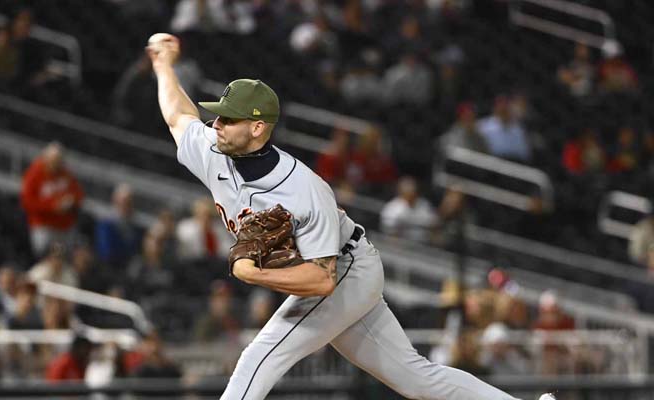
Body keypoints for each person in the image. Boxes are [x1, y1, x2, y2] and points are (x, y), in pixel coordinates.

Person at [146, 32, 553, 400]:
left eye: (227, 118)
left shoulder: (303, 190)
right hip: (336, 277)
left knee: (260, 355)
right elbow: (178, 116)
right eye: (217, 115)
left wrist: (256, 275)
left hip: (345, 269)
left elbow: (322, 280)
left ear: (257, 128)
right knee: (417, 380)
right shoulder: (214, 150)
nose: (215, 124)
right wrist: (164, 65)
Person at [20, 142, 84, 257]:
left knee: (65, 260)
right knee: (46, 258)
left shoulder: (66, 174)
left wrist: (72, 202)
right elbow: (27, 202)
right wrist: (53, 206)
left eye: (60, 160)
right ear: (46, 158)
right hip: (44, 227)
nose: (57, 164)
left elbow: (79, 195)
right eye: (54, 160)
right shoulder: (34, 174)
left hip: (64, 227)